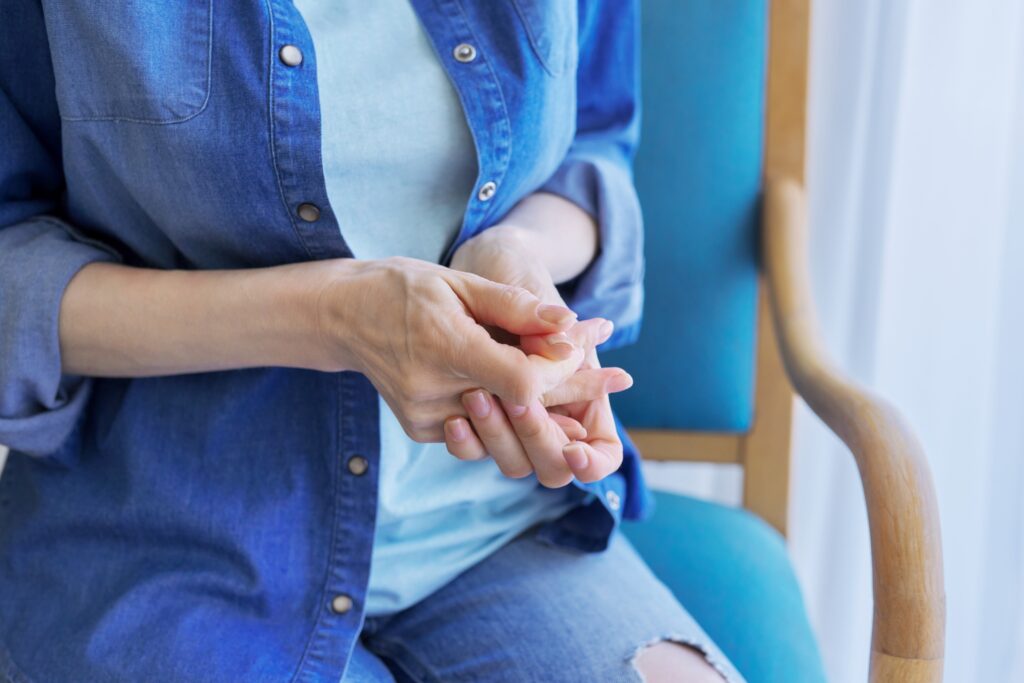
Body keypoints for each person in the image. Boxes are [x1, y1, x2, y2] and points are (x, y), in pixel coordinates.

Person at [0, 1, 742, 681]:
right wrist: (334, 316)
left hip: (496, 528)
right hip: (170, 543)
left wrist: (517, 259)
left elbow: (594, 143)